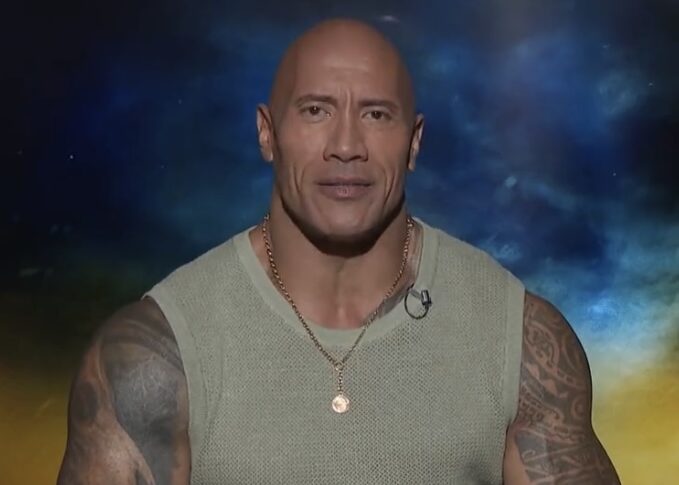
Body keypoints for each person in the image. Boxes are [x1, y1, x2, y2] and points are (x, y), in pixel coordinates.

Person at [57, 18, 620, 484]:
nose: (347, 146)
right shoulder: (156, 358)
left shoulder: (520, 342)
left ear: (414, 142)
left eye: (376, 114)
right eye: (316, 110)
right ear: (267, 133)